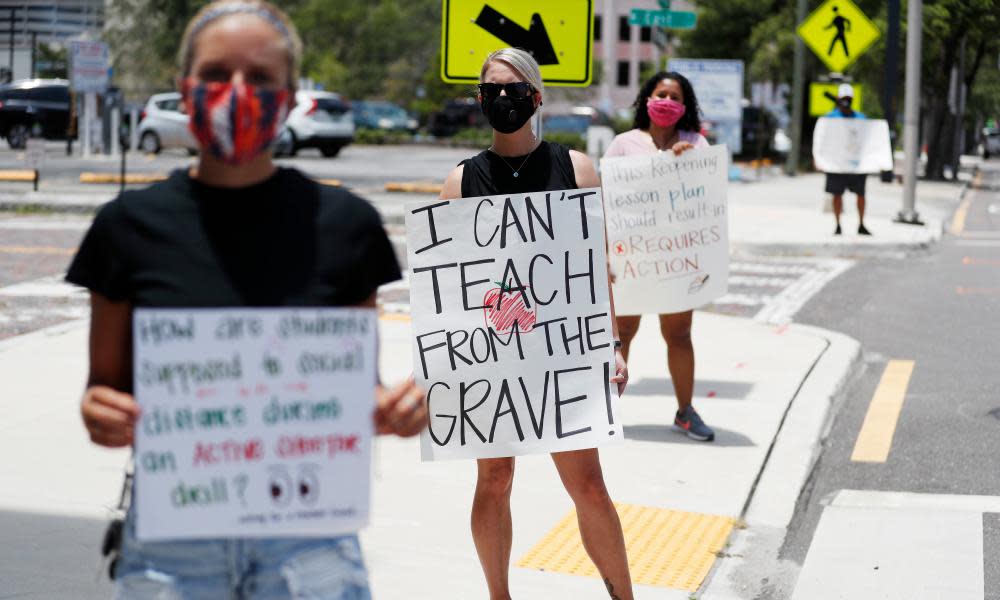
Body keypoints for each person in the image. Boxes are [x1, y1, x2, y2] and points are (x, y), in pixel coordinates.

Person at [66, 2, 427, 597]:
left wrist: (393, 408)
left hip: (309, 539)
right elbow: (103, 389)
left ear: (289, 98)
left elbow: (358, 385)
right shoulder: (127, 228)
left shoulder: (345, 226)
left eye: (260, 78)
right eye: (215, 75)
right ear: (185, 92)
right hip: (174, 541)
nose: (237, 93)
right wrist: (100, 414)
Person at [439, 48, 634, 600]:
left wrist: (612, 343)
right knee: (494, 480)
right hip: (494, 354)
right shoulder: (459, 182)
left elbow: (595, 268)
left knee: (589, 486)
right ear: (480, 100)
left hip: (562, 354)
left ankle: (623, 594)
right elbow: (450, 289)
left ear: (536, 96)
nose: (504, 98)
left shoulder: (577, 169)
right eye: (492, 89)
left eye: (514, 87)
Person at [602, 71, 716, 443]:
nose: (667, 101)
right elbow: (603, 199)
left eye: (675, 96)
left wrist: (686, 163)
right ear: (647, 99)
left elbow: (707, 197)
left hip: (676, 258)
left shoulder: (696, 144)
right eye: (660, 93)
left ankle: (685, 411)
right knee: (624, 334)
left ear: (685, 107)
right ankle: (604, 411)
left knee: (679, 334)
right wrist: (603, 252)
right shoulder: (623, 144)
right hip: (632, 258)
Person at [824, 83, 871, 236]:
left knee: (861, 195)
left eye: (848, 98)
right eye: (843, 98)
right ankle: (837, 225)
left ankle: (861, 224)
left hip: (856, 165)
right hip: (837, 164)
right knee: (837, 195)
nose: (846, 101)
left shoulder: (861, 118)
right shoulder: (830, 118)